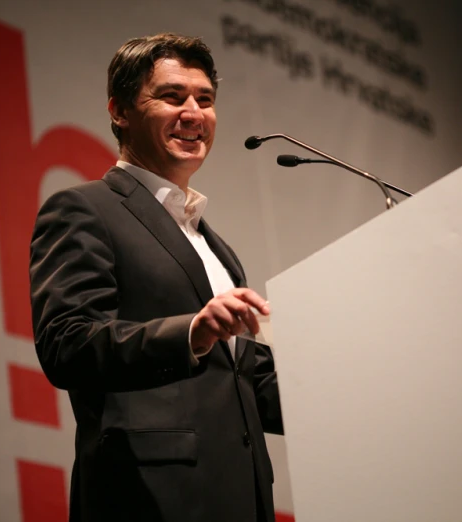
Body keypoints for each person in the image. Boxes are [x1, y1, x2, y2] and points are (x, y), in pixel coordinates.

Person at [29, 33, 282, 522]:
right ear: (120, 111)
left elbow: (249, 380)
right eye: (172, 97)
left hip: (242, 500)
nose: (194, 113)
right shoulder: (84, 210)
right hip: (147, 498)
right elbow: (68, 343)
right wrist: (192, 331)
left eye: (205, 100)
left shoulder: (217, 248)